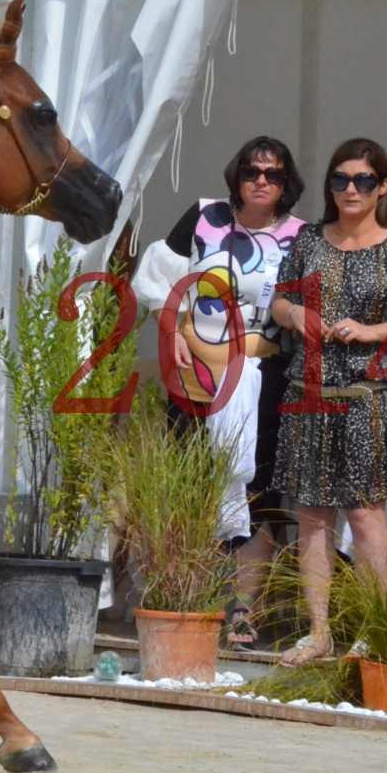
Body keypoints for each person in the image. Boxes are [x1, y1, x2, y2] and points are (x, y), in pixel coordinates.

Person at [269, 138, 387, 666]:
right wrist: (296, 316)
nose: (351, 189)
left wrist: (373, 331)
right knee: (311, 515)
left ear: (383, 187)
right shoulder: (307, 241)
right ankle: (319, 631)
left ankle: (375, 628)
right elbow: (281, 299)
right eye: (341, 179)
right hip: (311, 391)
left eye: (363, 180)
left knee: (367, 514)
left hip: (371, 396)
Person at [132, 136, 307, 647]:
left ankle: (243, 610)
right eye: (252, 170)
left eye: (273, 174)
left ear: (286, 183)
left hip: (263, 377)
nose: (261, 180)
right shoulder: (204, 217)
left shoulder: (301, 237)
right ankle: (189, 598)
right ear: (236, 175)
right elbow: (153, 280)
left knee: (256, 491)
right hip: (197, 373)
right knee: (191, 482)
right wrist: (170, 330)